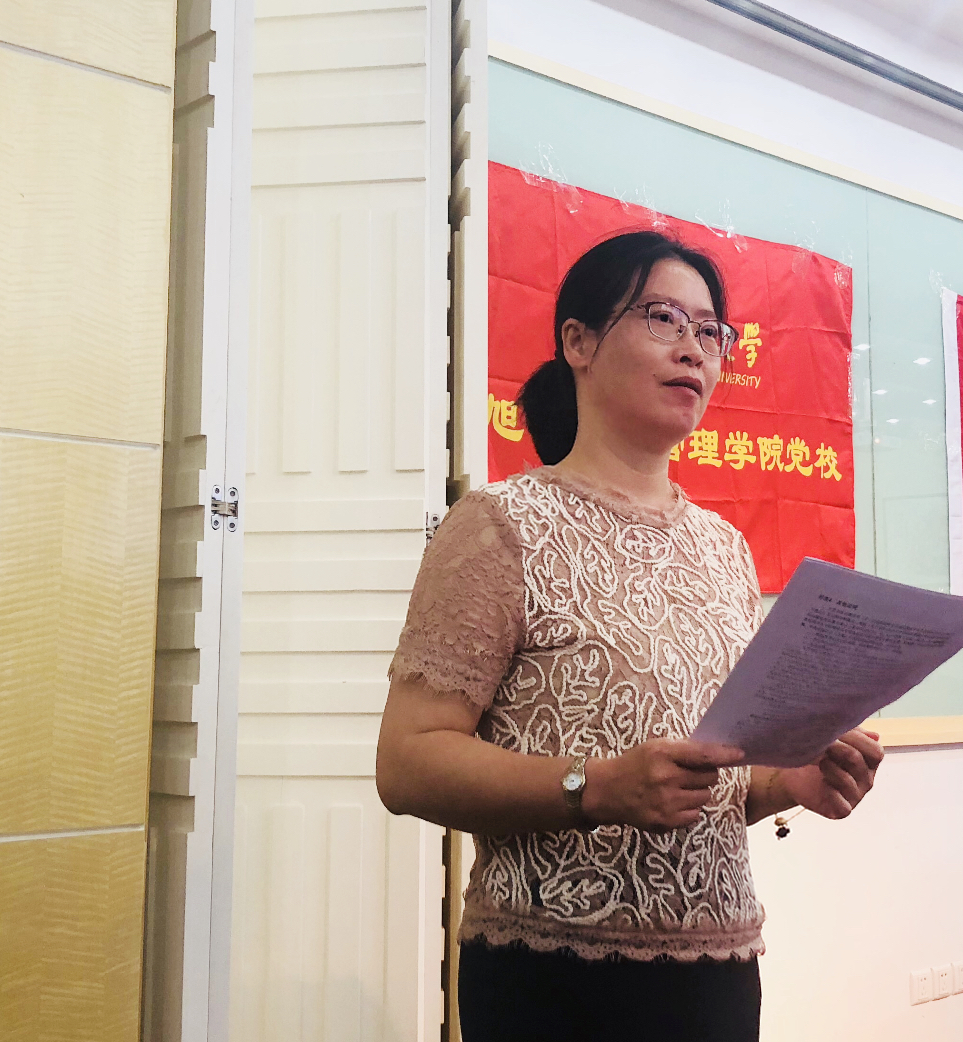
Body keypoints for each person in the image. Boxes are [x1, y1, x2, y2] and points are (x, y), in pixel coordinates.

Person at [376, 230, 884, 1042]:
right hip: (554, 978)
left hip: (717, 974)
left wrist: (788, 783)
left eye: (709, 331)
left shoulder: (723, 548)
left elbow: (707, 784)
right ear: (578, 342)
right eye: (662, 318)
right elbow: (407, 762)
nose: (693, 349)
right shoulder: (502, 525)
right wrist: (595, 788)